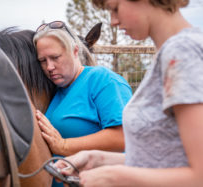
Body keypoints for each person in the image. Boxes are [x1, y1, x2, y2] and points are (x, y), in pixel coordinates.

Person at [54, 0, 203, 186]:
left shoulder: (181, 53)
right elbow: (164, 160)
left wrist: (113, 177)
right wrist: (96, 159)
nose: (113, 21)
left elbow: (199, 177)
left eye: (115, 9)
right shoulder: (167, 54)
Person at [32, 21, 132, 186]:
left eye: (55, 57)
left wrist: (63, 145)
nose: (49, 67)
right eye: (42, 60)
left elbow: (124, 137)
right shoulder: (58, 90)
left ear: (75, 51)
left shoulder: (103, 80)